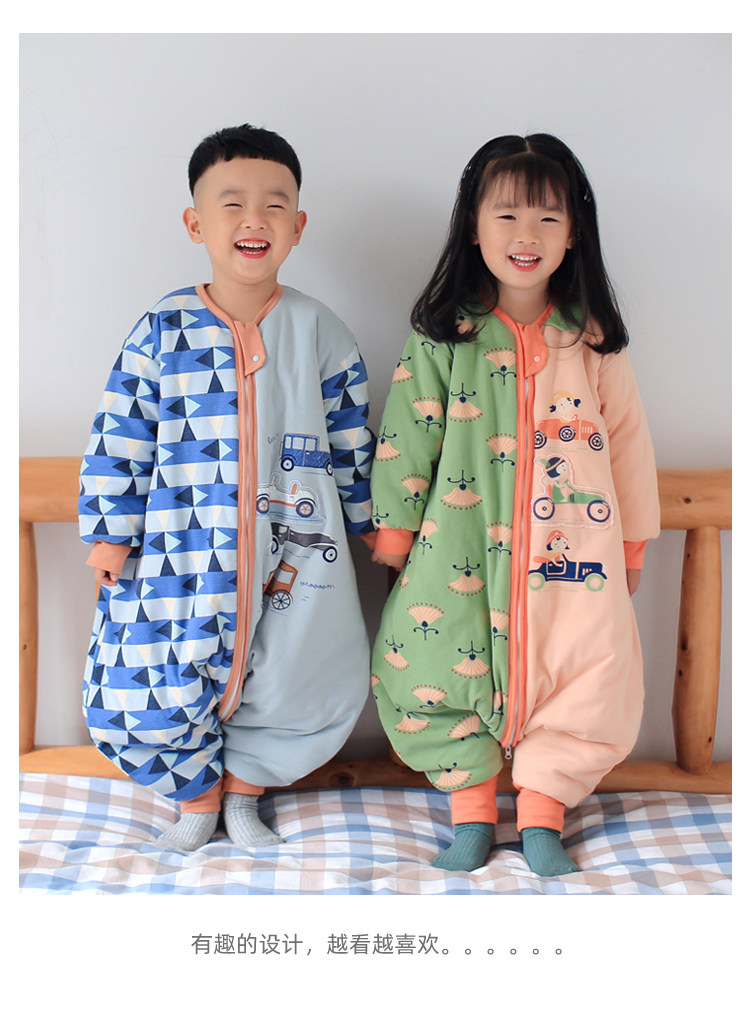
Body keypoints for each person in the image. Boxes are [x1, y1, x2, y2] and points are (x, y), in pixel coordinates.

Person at [79, 125, 376, 852]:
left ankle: (246, 794)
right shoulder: (162, 329)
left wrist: (372, 523)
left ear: (298, 227)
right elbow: (122, 430)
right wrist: (109, 530)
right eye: (233, 204)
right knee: (146, 675)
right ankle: (197, 797)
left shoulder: (320, 330)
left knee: (300, 671)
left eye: (275, 206)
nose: (255, 220)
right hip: (180, 548)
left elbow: (351, 437)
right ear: (196, 224)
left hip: (295, 550)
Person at [370, 133, 659, 875]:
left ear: (573, 234)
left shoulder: (592, 341)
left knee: (587, 670)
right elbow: (407, 435)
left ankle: (541, 819)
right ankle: (471, 814)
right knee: (432, 658)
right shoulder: (445, 335)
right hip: (455, 541)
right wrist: (396, 536)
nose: (526, 236)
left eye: (547, 219)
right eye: (506, 216)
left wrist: (631, 544)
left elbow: (627, 442)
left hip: (573, 553)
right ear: (473, 226)